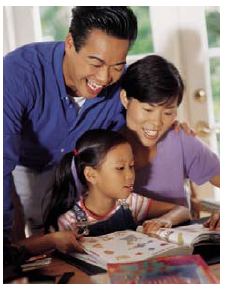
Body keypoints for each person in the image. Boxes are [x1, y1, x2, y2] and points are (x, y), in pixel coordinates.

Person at [3, 6, 138, 242]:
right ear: (69, 43)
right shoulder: (17, 73)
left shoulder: (123, 85)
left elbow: (146, 119)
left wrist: (173, 132)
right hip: (16, 168)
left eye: (117, 66)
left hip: (73, 175)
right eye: (96, 63)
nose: (105, 78)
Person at [20, 129, 190, 255]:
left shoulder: (132, 203)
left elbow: (182, 211)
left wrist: (164, 220)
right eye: (120, 168)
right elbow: (25, 248)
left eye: (131, 166)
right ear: (91, 175)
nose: (130, 175)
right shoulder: (69, 221)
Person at [120, 55, 220, 230]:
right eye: (148, 109)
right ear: (125, 99)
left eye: (167, 113)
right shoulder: (104, 149)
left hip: (181, 248)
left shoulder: (181, 139)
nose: (157, 122)